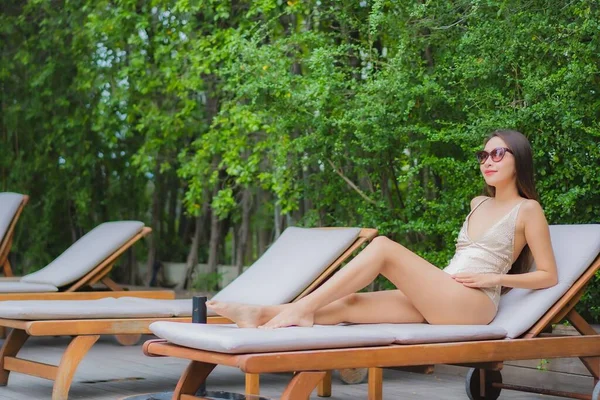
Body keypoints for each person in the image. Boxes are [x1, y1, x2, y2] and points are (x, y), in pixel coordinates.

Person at [208, 129, 558, 329]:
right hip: (446, 292)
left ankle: (300, 308)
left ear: (519, 158)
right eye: (483, 156)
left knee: (384, 249)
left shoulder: (528, 210)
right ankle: (259, 314)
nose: (488, 162)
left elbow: (548, 275)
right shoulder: (476, 203)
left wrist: (495, 280)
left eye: (498, 154)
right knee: (350, 302)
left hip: (475, 304)